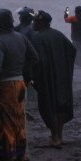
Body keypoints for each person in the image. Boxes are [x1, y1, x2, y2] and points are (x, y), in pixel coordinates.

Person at [0, 8, 39, 161]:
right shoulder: (21, 38)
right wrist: (22, 72)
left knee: (5, 125)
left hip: (5, 86)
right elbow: (34, 57)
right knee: (19, 124)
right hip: (20, 84)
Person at [30, 10, 76, 147]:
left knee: (49, 106)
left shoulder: (37, 38)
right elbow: (72, 50)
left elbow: (37, 60)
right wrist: (65, 68)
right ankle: (59, 136)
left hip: (46, 78)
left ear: (41, 23)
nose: (33, 23)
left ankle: (55, 137)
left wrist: (34, 77)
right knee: (60, 105)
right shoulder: (58, 34)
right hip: (61, 77)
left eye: (35, 21)